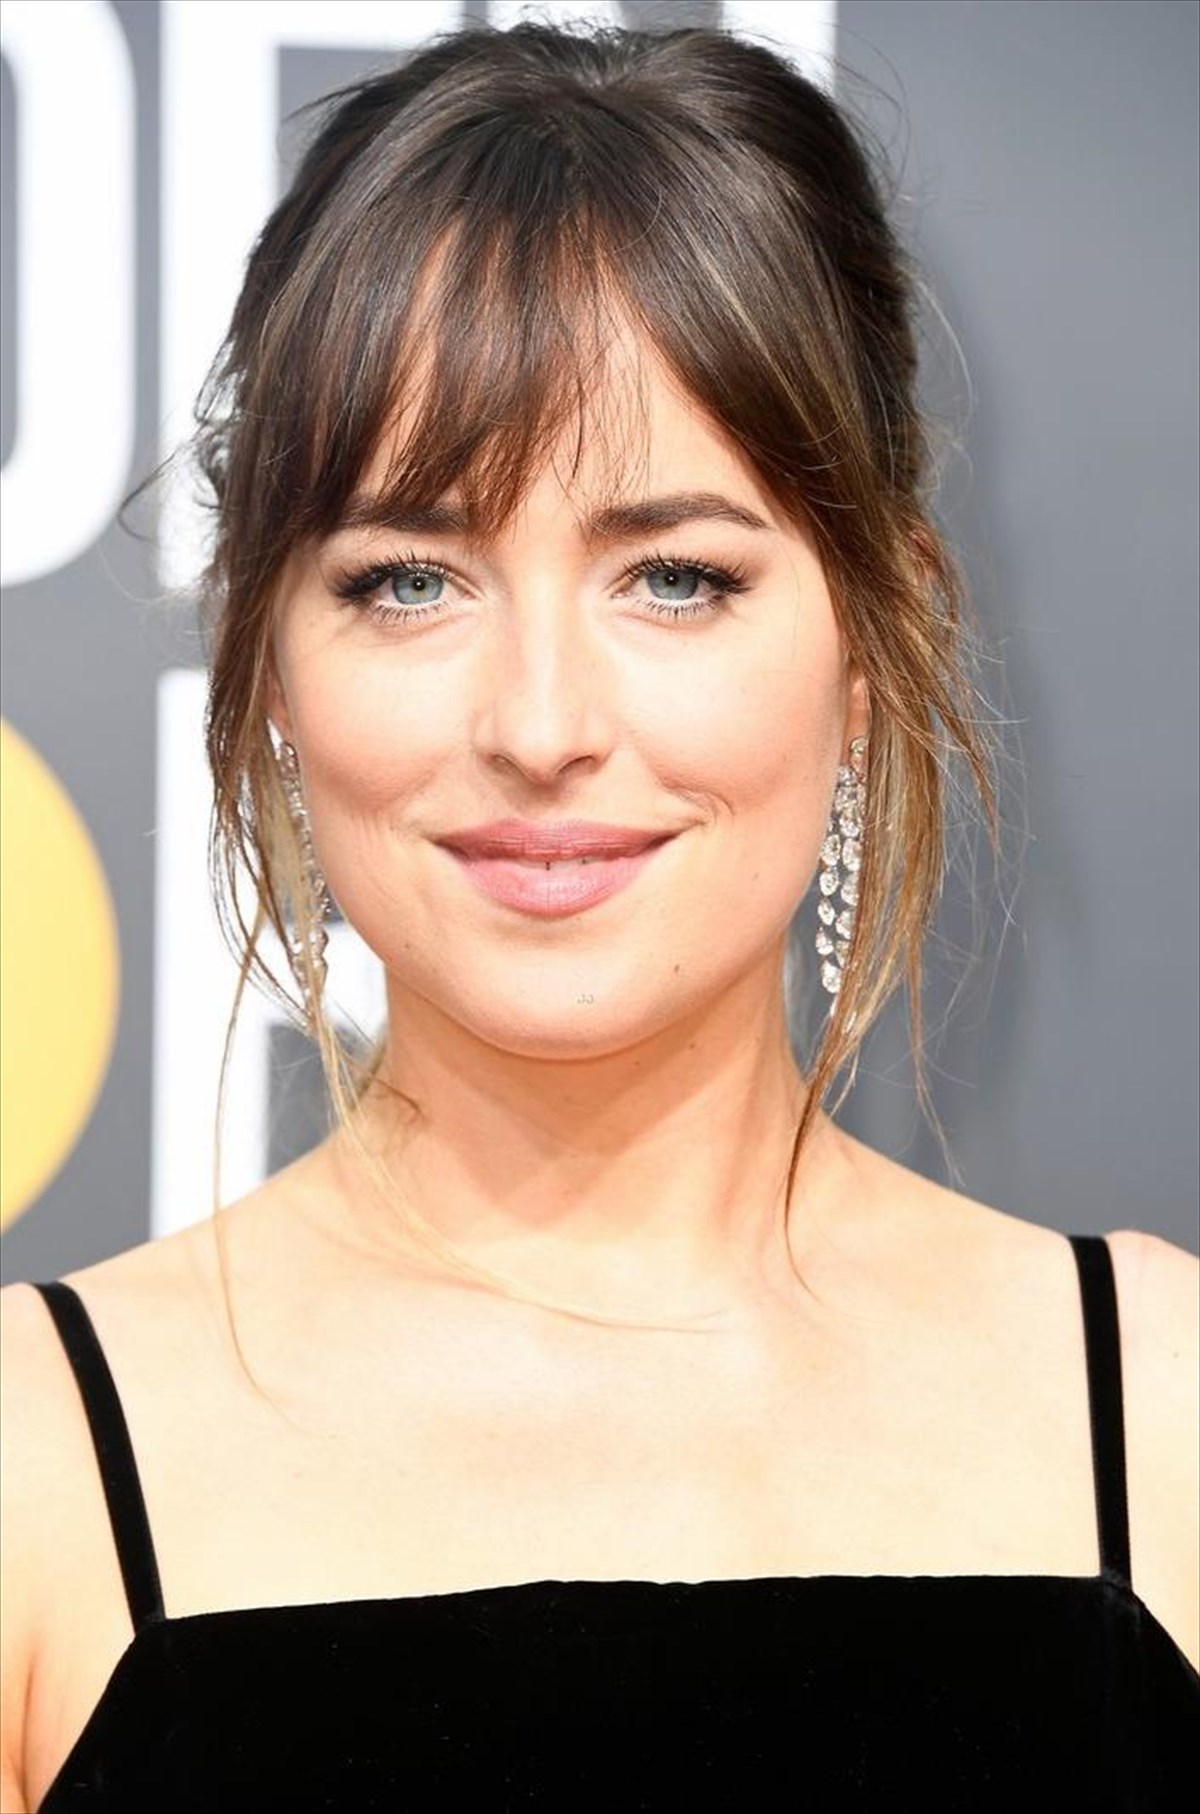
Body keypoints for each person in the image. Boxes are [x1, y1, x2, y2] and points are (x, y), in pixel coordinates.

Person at [1, 17, 1196, 1811]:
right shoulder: (29, 1463)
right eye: (411, 581)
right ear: (268, 658)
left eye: (676, 578)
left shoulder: (1164, 1414)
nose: (542, 723)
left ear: (874, 640)